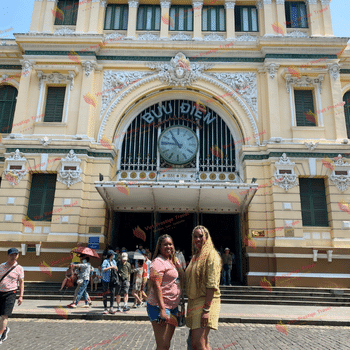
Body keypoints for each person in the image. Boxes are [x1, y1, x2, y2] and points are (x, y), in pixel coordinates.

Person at [185, 226, 221, 350]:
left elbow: (212, 284)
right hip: (194, 302)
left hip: (206, 302)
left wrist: (206, 310)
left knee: (197, 343)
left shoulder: (211, 255)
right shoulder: (196, 256)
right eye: (195, 236)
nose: (198, 239)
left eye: (201, 236)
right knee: (203, 342)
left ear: (207, 237)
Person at [147, 234, 184, 350]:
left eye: (170, 244)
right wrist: (162, 310)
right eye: (165, 244)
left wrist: (177, 264)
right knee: (163, 346)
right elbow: (156, 286)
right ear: (159, 246)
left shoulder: (172, 261)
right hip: (160, 307)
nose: (168, 246)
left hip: (173, 307)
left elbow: (183, 277)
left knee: (166, 344)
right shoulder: (157, 262)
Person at [0, 248, 24, 344]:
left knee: (4, 315)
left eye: (15, 255)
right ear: (8, 255)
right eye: (11, 255)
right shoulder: (1, 266)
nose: (13, 256)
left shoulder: (19, 268)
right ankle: (4, 329)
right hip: (0, 292)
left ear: (17, 255)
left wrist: (21, 296)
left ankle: (0, 335)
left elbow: (21, 282)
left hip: (10, 293)